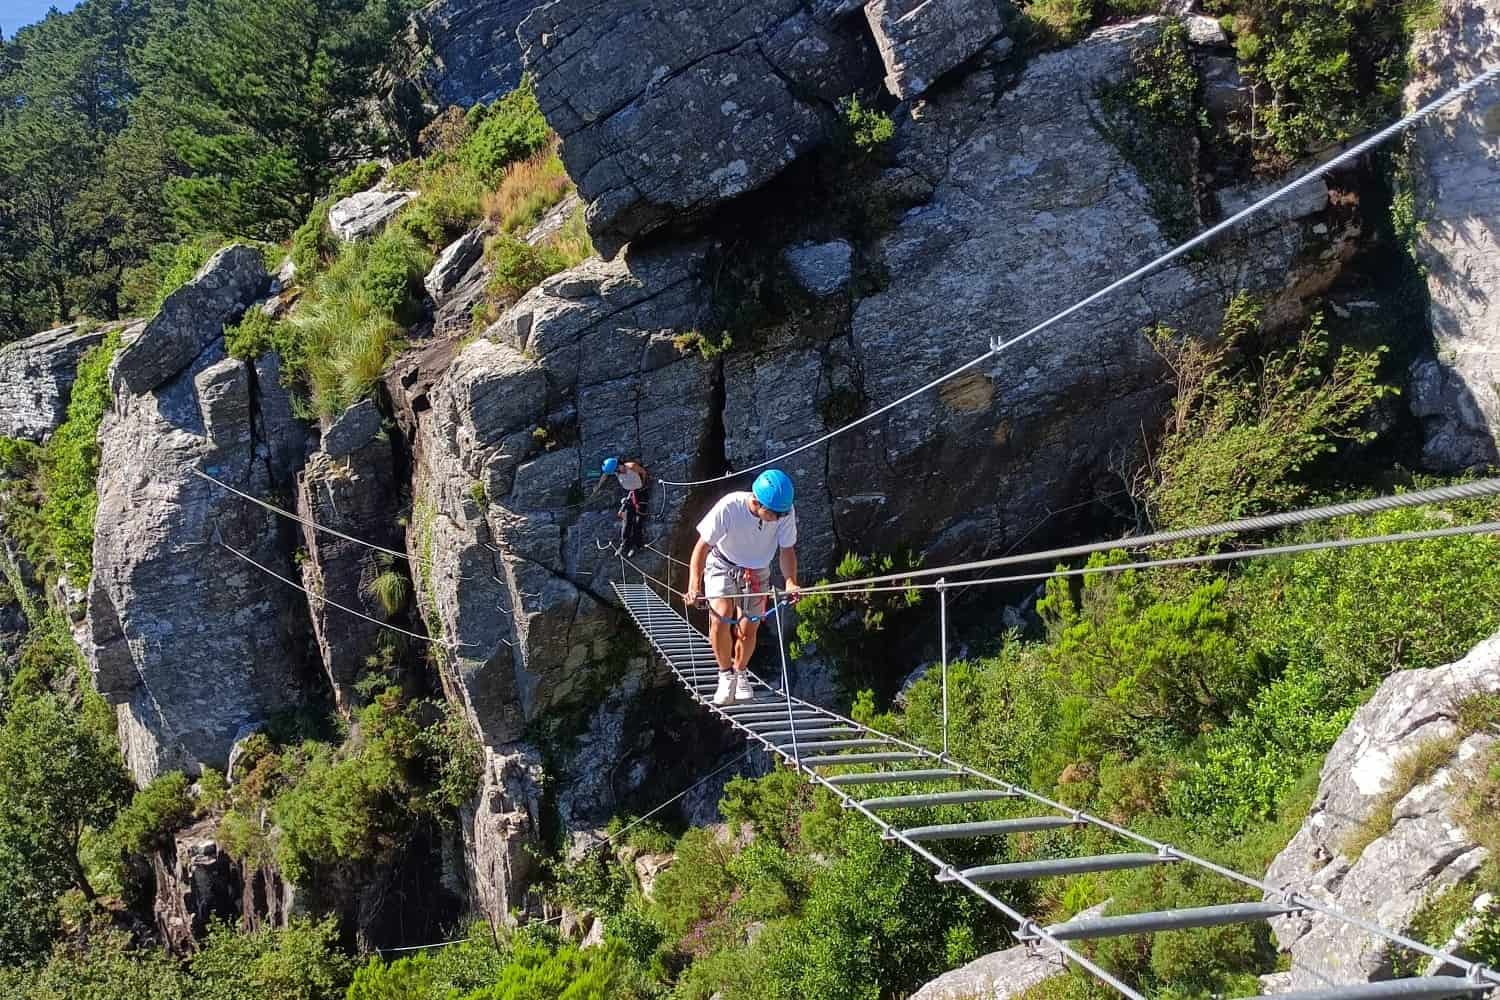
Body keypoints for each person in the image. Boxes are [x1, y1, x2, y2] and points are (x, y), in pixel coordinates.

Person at [684, 469, 802, 705]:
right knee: (720, 618)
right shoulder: (730, 506)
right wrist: (694, 586)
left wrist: (790, 581)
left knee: (749, 629)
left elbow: (786, 550)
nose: (779, 518)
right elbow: (701, 548)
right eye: (774, 514)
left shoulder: (783, 510)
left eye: (782, 514)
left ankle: (740, 672)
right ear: (756, 502)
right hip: (721, 564)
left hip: (757, 571)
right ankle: (725, 674)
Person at [592, 456, 649, 555]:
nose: (618, 472)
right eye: (616, 471)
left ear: (620, 464)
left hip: (640, 493)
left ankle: (636, 545)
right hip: (631, 495)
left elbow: (643, 472)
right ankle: (625, 545)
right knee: (626, 522)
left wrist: (643, 484)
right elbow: (605, 475)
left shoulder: (631, 466)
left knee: (638, 521)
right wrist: (598, 487)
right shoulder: (616, 470)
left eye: (618, 469)